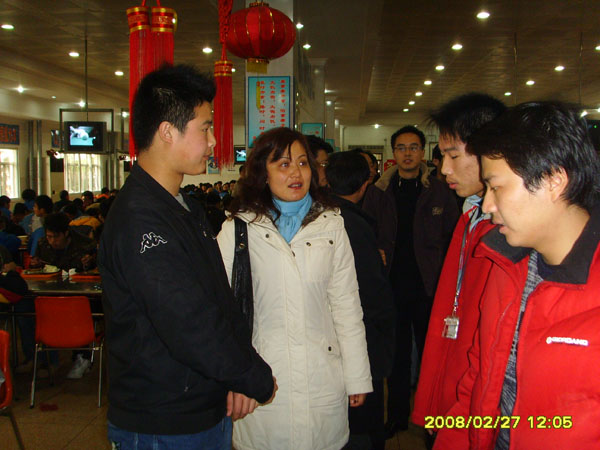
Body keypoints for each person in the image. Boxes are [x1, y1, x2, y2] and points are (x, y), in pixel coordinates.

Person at [99, 64, 275, 450]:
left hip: (201, 406)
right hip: (162, 422)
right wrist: (253, 377)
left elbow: (218, 301)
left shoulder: (184, 208)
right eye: (205, 128)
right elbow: (187, 320)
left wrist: (235, 375)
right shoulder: (139, 218)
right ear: (167, 131)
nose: (213, 141)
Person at [434, 101, 600, 449]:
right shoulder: (506, 266)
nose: (488, 205)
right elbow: (479, 378)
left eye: (496, 187)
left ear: (553, 180)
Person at [217, 127, 372, 450]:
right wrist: (233, 377)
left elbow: (346, 306)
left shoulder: (331, 225)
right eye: (284, 164)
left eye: (303, 163)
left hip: (321, 375)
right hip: (262, 378)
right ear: (263, 172)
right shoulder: (238, 229)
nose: (296, 173)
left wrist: (357, 375)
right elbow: (219, 312)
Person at [411, 94, 506, 434]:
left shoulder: (508, 231)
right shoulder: (470, 217)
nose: (444, 169)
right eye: (442, 157)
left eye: (453, 155)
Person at [362, 125, 459, 437]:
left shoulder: (439, 190)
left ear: (422, 151)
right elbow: (367, 233)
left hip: (429, 288)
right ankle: (398, 416)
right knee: (398, 357)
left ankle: (434, 418)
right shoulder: (379, 191)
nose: (407, 153)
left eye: (413, 147)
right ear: (393, 153)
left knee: (434, 355)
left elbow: (453, 235)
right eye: (401, 148)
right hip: (391, 286)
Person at [326, 151, 395, 450]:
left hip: (330, 339)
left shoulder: (320, 218)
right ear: (365, 183)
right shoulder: (354, 224)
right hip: (362, 338)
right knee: (364, 423)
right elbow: (372, 292)